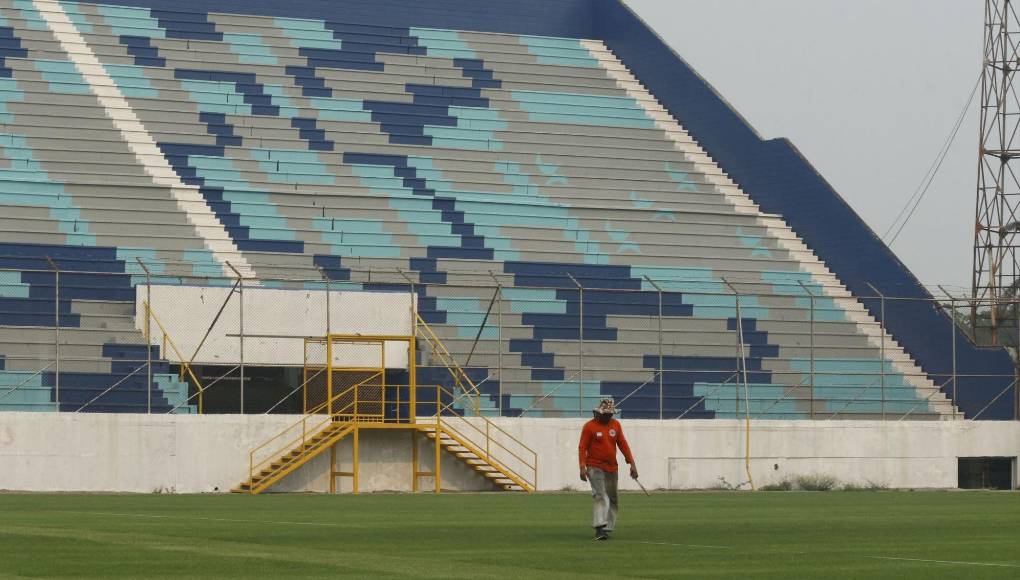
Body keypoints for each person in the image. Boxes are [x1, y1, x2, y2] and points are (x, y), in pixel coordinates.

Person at [578, 397, 637, 541]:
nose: (609, 416)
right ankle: (599, 528)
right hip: (594, 466)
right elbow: (582, 447)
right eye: (606, 414)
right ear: (598, 413)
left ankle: (606, 527)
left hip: (612, 467)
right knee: (601, 495)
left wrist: (632, 464)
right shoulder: (589, 426)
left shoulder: (616, 425)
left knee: (613, 499)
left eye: (611, 414)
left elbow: (623, 444)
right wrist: (582, 467)